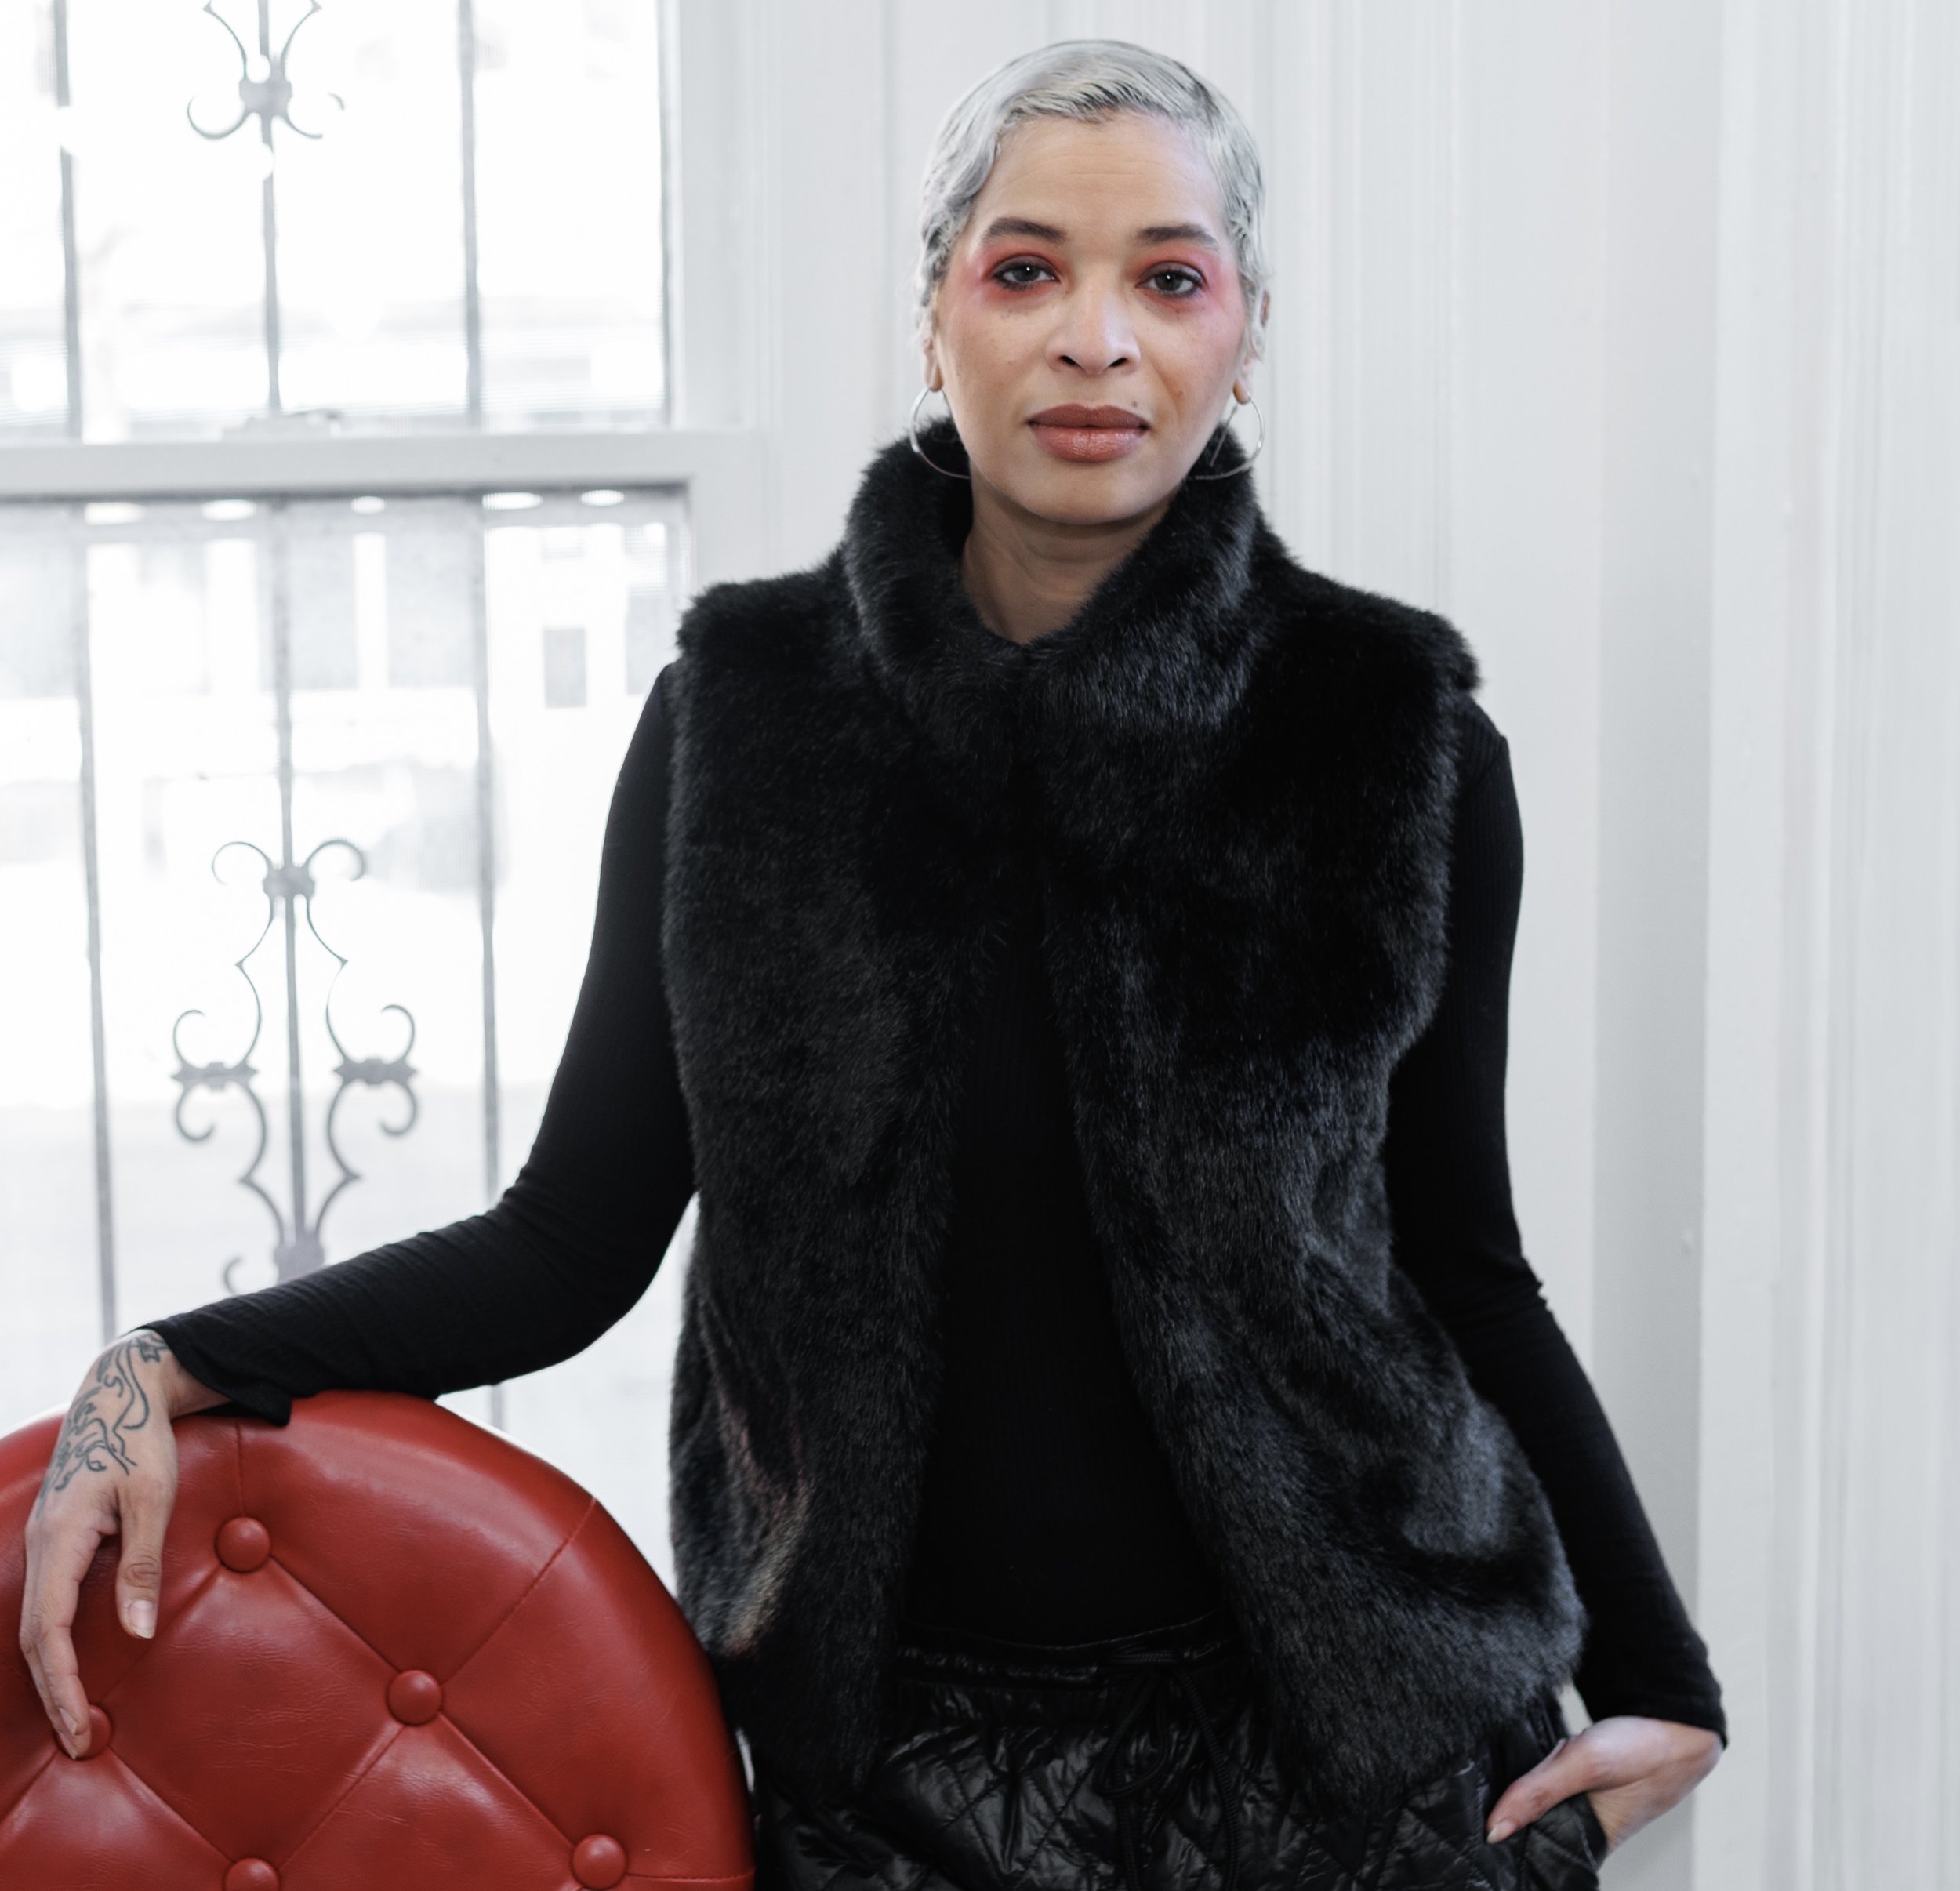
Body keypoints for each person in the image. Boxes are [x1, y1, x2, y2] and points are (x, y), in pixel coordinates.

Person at [19, 42, 1722, 1891]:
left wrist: (1661, 1681)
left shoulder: (1394, 738)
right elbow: (568, 1243)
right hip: (899, 1782)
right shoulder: (738, 725)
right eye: (1024, 268)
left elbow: (1462, 1262)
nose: (1094, 339)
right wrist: (162, 1366)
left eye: (1167, 277)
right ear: (933, 316)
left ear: (1244, 333)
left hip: (1357, 1773)